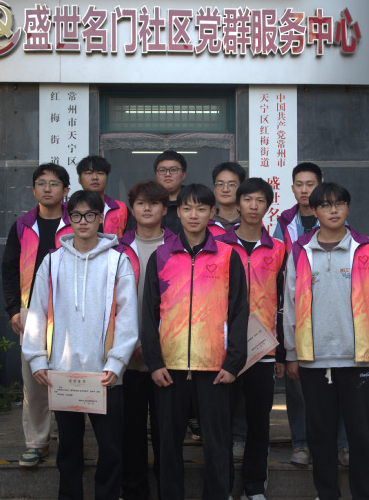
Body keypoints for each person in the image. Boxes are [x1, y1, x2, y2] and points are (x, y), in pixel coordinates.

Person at [283, 182, 369, 500]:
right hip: (313, 360)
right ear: (314, 210)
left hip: (359, 360)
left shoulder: (366, 249)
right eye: (325, 205)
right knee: (319, 436)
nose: (333, 210)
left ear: (348, 208)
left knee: (361, 437)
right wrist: (291, 352)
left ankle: (365, 495)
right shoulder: (301, 252)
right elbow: (290, 304)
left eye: (339, 204)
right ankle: (327, 494)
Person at [22, 190, 139, 500]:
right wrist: (37, 359)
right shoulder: (52, 261)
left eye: (89, 215)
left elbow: (127, 317)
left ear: (101, 218)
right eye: (76, 215)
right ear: (68, 219)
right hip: (63, 373)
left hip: (104, 375)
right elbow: (37, 311)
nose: (83, 221)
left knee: (110, 449)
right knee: (68, 449)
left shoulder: (118, 261)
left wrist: (116, 363)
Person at [142, 183, 249, 500]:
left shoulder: (228, 256)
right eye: (187, 208)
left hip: (215, 367)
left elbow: (239, 312)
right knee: (168, 444)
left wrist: (233, 363)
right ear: (178, 213)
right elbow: (149, 313)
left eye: (201, 209)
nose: (193, 215)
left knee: (217, 444)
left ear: (212, 213)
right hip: (169, 368)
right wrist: (154, 363)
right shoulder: (162, 256)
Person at [272, 161, 349, 467]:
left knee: (340, 386)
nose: (305, 190)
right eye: (299, 184)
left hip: (335, 313)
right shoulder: (283, 223)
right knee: (297, 385)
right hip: (295, 308)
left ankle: (342, 445)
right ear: (292, 188)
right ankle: (301, 443)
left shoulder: (334, 223)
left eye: (310, 184)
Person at [215, 178, 286, 500]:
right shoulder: (219, 245)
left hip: (263, 350)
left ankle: (255, 487)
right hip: (224, 349)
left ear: (268, 206)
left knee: (259, 423)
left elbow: (285, 302)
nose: (253, 206)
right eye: (248, 199)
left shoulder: (279, 249)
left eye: (260, 200)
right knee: (223, 424)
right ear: (238, 203)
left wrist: (282, 352)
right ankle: (224, 486)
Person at [1, 163, 71, 467]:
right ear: (33, 190)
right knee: (34, 380)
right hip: (32, 311)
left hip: (70, 310)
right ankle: (36, 442)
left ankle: (69, 440)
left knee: (69, 374)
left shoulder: (77, 221)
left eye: (54, 183)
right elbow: (8, 269)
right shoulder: (22, 225)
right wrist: (13, 309)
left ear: (66, 190)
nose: (47, 188)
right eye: (41, 183)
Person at [116, 180, 175, 500]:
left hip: (168, 356)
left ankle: (168, 489)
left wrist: (154, 348)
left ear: (165, 209)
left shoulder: (178, 247)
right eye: (140, 203)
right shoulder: (117, 249)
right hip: (127, 357)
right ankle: (134, 491)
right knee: (131, 430)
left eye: (154, 203)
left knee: (167, 432)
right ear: (132, 209)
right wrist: (130, 344)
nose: (147, 208)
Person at [77, 155, 134, 237]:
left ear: (107, 178)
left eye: (100, 173)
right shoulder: (68, 209)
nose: (95, 177)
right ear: (79, 179)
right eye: (89, 173)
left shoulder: (121, 209)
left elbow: (130, 239)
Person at [153, 150, 187, 234]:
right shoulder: (147, 203)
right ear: (156, 174)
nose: (167, 174)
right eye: (162, 170)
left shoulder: (194, 201)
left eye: (173, 170)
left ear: (183, 174)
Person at [209, 162, 246, 235]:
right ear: (214, 189)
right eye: (220, 184)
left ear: (241, 188)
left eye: (231, 185)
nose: (225, 189)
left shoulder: (251, 224)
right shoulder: (204, 224)